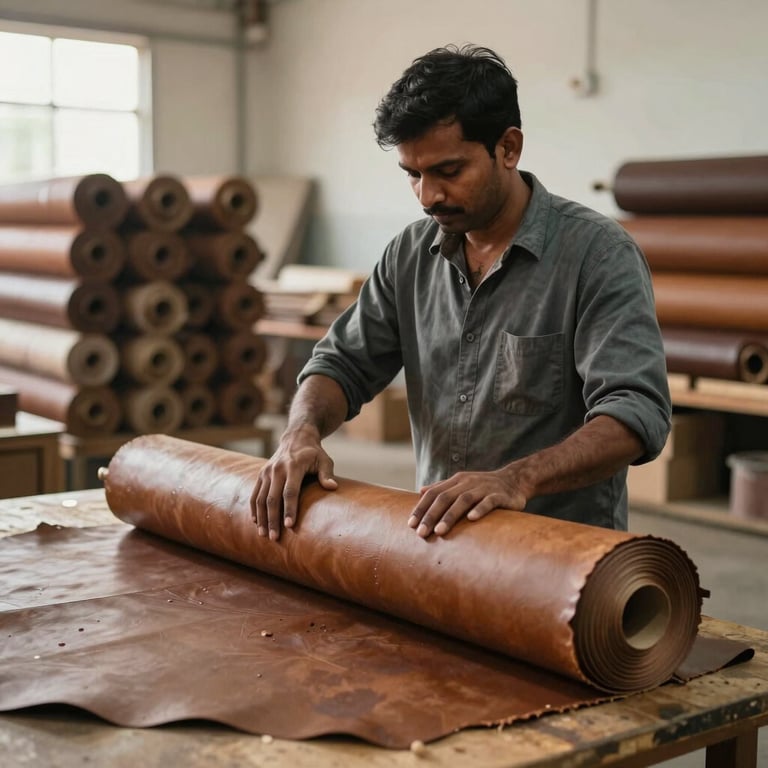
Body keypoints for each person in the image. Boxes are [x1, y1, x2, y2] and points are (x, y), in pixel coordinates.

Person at [251, 43, 671, 541]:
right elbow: (341, 364)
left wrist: (517, 478)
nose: (429, 196)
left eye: (449, 172)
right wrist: (300, 432)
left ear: (509, 148)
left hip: (563, 555)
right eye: (414, 175)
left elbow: (635, 410)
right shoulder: (409, 254)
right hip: (440, 546)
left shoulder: (597, 255)